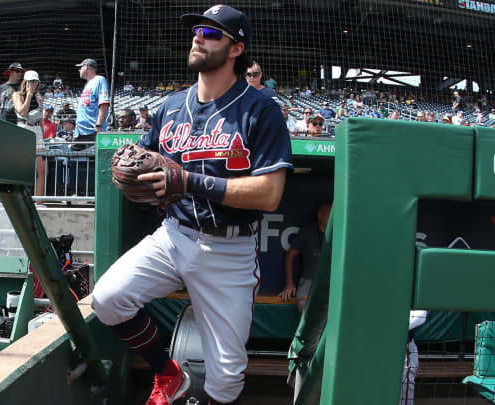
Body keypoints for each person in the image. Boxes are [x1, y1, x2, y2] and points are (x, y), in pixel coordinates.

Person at [91, 5, 293, 405]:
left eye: (211, 33)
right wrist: (133, 173)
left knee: (226, 379)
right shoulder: (169, 107)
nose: (198, 37)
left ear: (236, 48)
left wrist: (188, 180)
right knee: (108, 299)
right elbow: (145, 162)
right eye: (197, 30)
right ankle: (168, 375)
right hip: (174, 235)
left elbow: (269, 193)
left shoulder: (260, 109)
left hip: (229, 249)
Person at [278, 201, 332, 313]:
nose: (332, 218)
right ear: (319, 216)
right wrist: (289, 284)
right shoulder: (308, 231)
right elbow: (290, 256)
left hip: (331, 281)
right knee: (303, 304)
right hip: (309, 280)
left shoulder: (338, 233)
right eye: (329, 215)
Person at [12, 70, 46, 202]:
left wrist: (43, 137)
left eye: (35, 82)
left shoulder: (39, 97)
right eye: (31, 82)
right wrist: (29, 95)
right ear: (25, 82)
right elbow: (22, 111)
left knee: (42, 170)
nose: (33, 84)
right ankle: (20, 200)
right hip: (23, 129)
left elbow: (41, 119)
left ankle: (39, 202)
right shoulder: (16, 95)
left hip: (37, 131)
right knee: (21, 169)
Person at [74, 58, 110, 148]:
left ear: (86, 67)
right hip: (81, 131)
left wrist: (98, 125)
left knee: (93, 159)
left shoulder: (100, 80)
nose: (79, 70)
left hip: (93, 130)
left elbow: (104, 104)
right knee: (72, 157)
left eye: (80, 67)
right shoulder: (87, 84)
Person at [401, 310, 428, 405]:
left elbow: (421, 315)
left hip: (403, 345)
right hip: (377, 346)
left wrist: (395, 327)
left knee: (404, 388)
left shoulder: (412, 296)